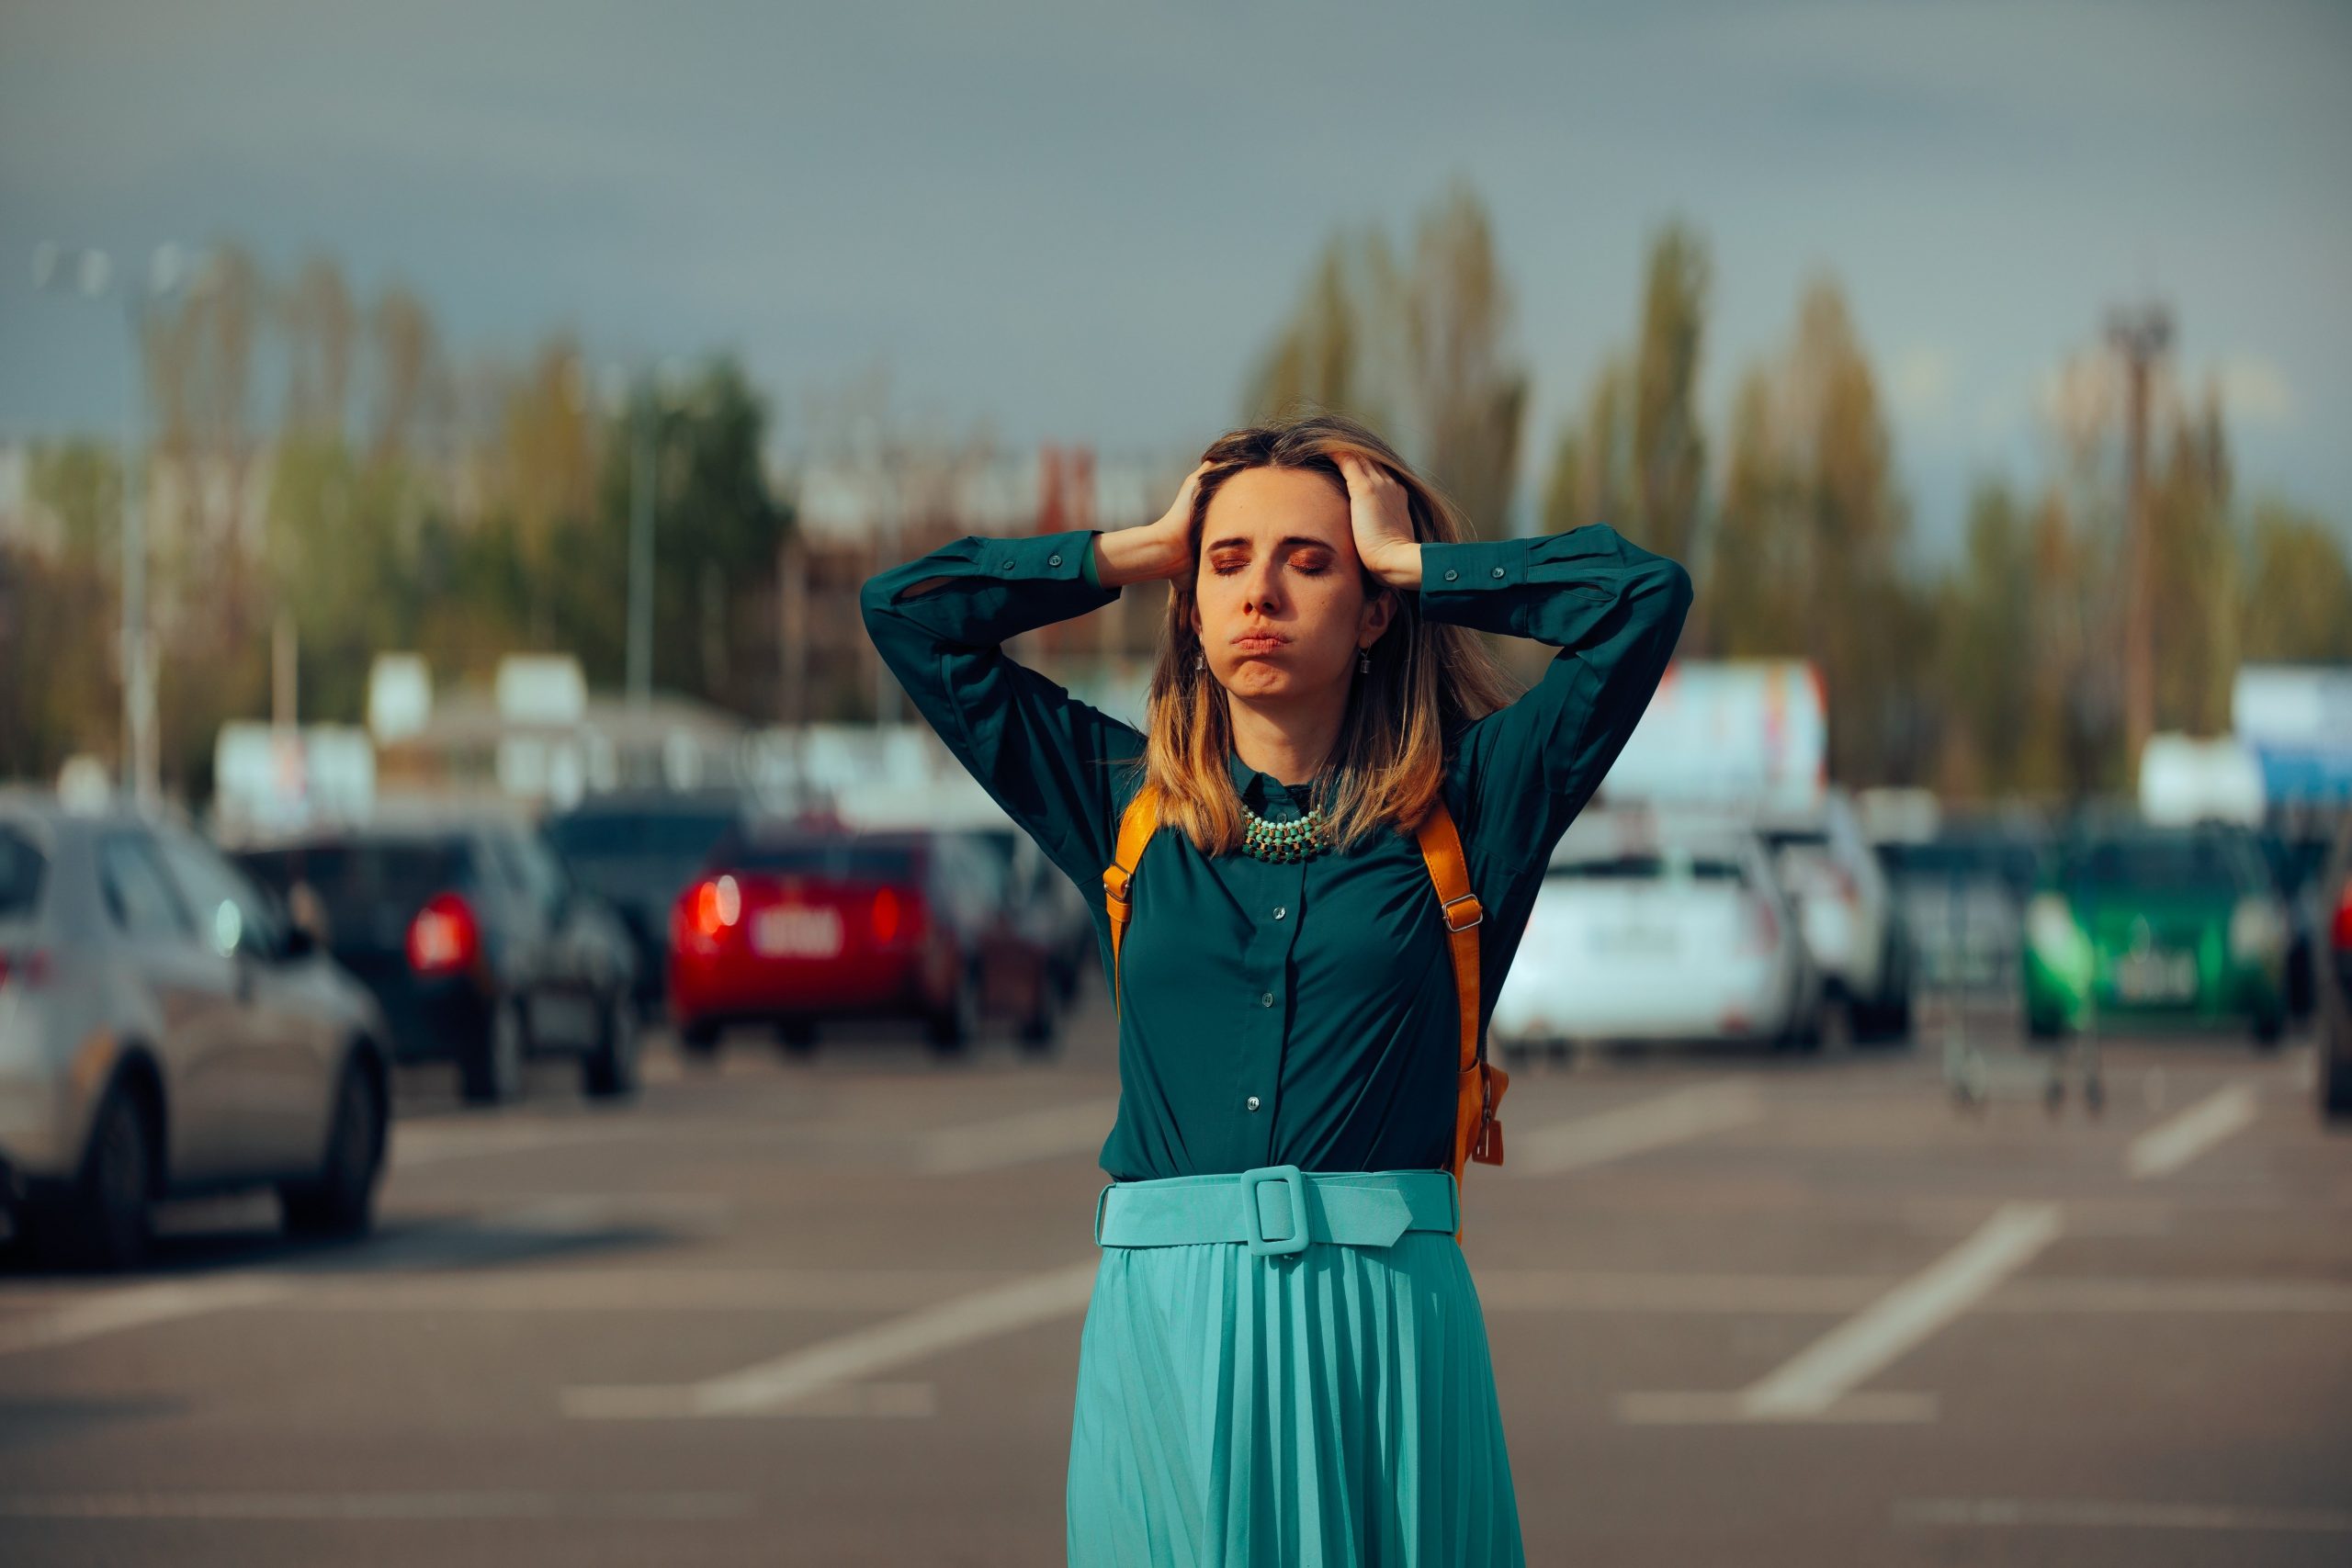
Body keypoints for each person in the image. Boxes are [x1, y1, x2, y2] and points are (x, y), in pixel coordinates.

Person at [860, 411, 1693, 1566]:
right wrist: (1134, 547)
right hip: (1164, 1336)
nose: (1262, 594)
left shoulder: (1477, 807)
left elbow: (1641, 599)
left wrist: (1416, 561)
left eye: (1311, 563)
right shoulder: (1123, 804)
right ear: (1189, 611)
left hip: (1385, 1337)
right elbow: (905, 613)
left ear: (1372, 615)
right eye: (1228, 562)